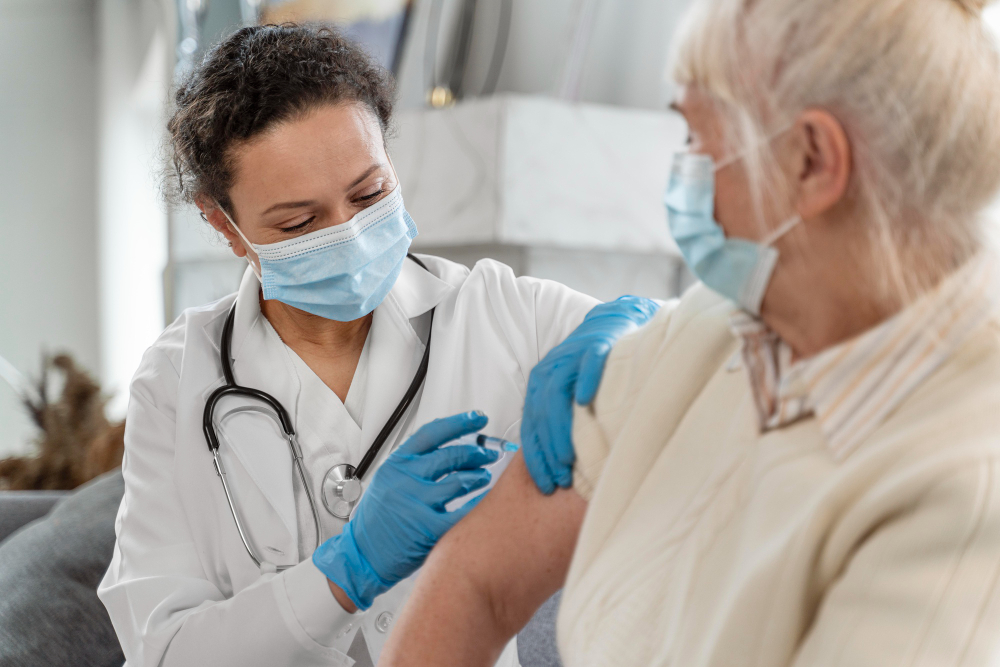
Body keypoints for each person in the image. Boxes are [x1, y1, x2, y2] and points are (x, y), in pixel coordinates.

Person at [379, 0, 1000, 665]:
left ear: (813, 159)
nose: (682, 178)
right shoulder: (702, 335)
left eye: (700, 143)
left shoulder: (961, 486)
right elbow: (479, 581)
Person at [96, 24, 659, 667]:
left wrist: (630, 320)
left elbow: (713, 346)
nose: (352, 235)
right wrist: (343, 572)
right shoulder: (176, 384)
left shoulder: (498, 312)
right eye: (299, 222)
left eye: (369, 193)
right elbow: (165, 652)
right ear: (221, 222)